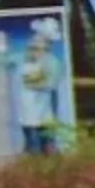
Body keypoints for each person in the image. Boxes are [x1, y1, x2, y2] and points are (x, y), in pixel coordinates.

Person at [12, 21, 68, 154]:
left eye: (37, 42)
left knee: (45, 143)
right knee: (31, 144)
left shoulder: (52, 61)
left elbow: (51, 83)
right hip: (27, 113)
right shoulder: (24, 60)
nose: (32, 44)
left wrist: (32, 83)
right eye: (32, 42)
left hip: (44, 113)